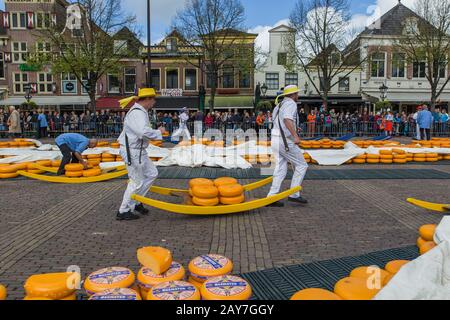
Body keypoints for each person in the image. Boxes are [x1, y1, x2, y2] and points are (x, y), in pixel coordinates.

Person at [117, 88, 166, 221]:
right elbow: (142, 132)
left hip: (139, 151)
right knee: (135, 180)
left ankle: (136, 201)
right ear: (148, 99)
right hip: (132, 151)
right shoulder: (137, 113)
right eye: (153, 99)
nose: (154, 102)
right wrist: (159, 132)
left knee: (152, 173)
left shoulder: (140, 112)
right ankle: (123, 210)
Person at [267, 85, 309, 207]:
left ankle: (272, 196)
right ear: (294, 94)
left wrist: (294, 128)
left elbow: (279, 121)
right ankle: (294, 194)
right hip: (284, 141)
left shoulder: (279, 105)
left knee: (280, 169)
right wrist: (295, 135)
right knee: (301, 165)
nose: (298, 95)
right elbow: (286, 120)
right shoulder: (291, 104)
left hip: (275, 139)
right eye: (297, 93)